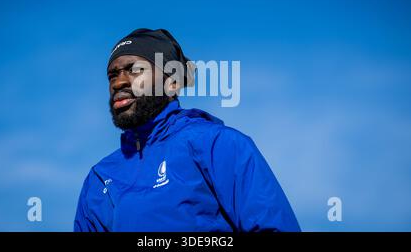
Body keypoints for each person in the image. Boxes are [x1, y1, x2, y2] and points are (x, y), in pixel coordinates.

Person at [74, 28, 301, 232]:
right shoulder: (100, 178)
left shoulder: (216, 145)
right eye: (112, 75)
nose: (118, 83)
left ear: (171, 83)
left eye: (134, 70)